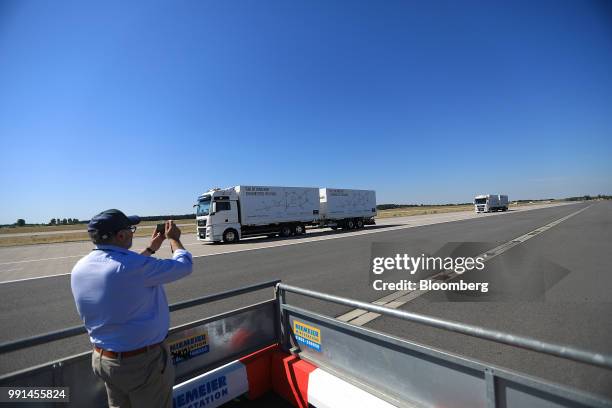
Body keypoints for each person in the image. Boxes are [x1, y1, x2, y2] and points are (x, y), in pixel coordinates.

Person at [71, 209, 193, 408]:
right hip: (142, 365)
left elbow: (122, 270)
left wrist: (150, 249)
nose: (132, 233)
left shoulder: (80, 267)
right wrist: (174, 240)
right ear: (120, 235)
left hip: (105, 361)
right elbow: (184, 265)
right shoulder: (133, 267)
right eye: (130, 229)